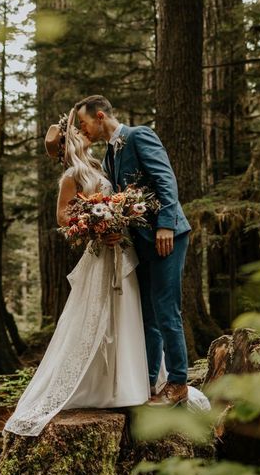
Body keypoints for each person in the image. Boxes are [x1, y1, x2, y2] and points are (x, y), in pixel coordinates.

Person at [3, 109, 150, 437]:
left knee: (125, 311)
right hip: (101, 253)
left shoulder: (100, 166)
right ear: (71, 145)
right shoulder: (71, 175)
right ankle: (97, 386)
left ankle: (128, 384)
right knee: (96, 315)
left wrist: (118, 221)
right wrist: (96, 228)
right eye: (79, 134)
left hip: (120, 250)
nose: (85, 135)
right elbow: (62, 216)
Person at [75, 95, 192, 407]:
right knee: (148, 314)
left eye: (84, 123)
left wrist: (166, 224)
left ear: (100, 116)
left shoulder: (139, 135)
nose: (83, 130)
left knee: (166, 307)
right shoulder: (111, 156)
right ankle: (148, 383)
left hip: (167, 235)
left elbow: (165, 179)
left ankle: (179, 383)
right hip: (141, 241)